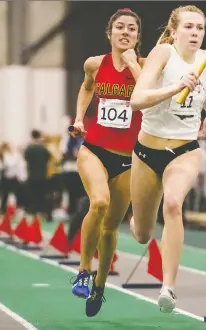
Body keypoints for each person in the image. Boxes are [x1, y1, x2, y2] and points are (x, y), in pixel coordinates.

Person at [129, 5, 206, 313]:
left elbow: (199, 81)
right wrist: (175, 87)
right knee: (141, 234)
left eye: (200, 28)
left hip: (185, 149)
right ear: (175, 30)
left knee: (173, 204)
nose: (195, 33)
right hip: (146, 151)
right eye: (189, 27)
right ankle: (138, 221)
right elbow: (136, 101)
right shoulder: (162, 54)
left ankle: (168, 288)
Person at [69, 8, 145, 317]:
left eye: (131, 29)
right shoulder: (94, 64)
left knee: (111, 228)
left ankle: (100, 284)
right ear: (109, 33)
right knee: (98, 203)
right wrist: (78, 117)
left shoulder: (145, 66)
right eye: (120, 28)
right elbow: (88, 87)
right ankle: (84, 270)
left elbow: (151, 95)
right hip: (94, 149)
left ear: (138, 37)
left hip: (128, 158)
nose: (125, 32)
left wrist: (133, 66)